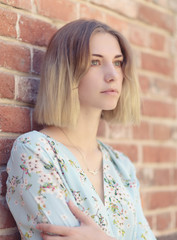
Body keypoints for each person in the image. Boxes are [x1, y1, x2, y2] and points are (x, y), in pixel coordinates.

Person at [6, 19, 156, 240]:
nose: (112, 74)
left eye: (117, 62)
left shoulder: (121, 165)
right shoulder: (35, 151)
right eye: (95, 62)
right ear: (66, 72)